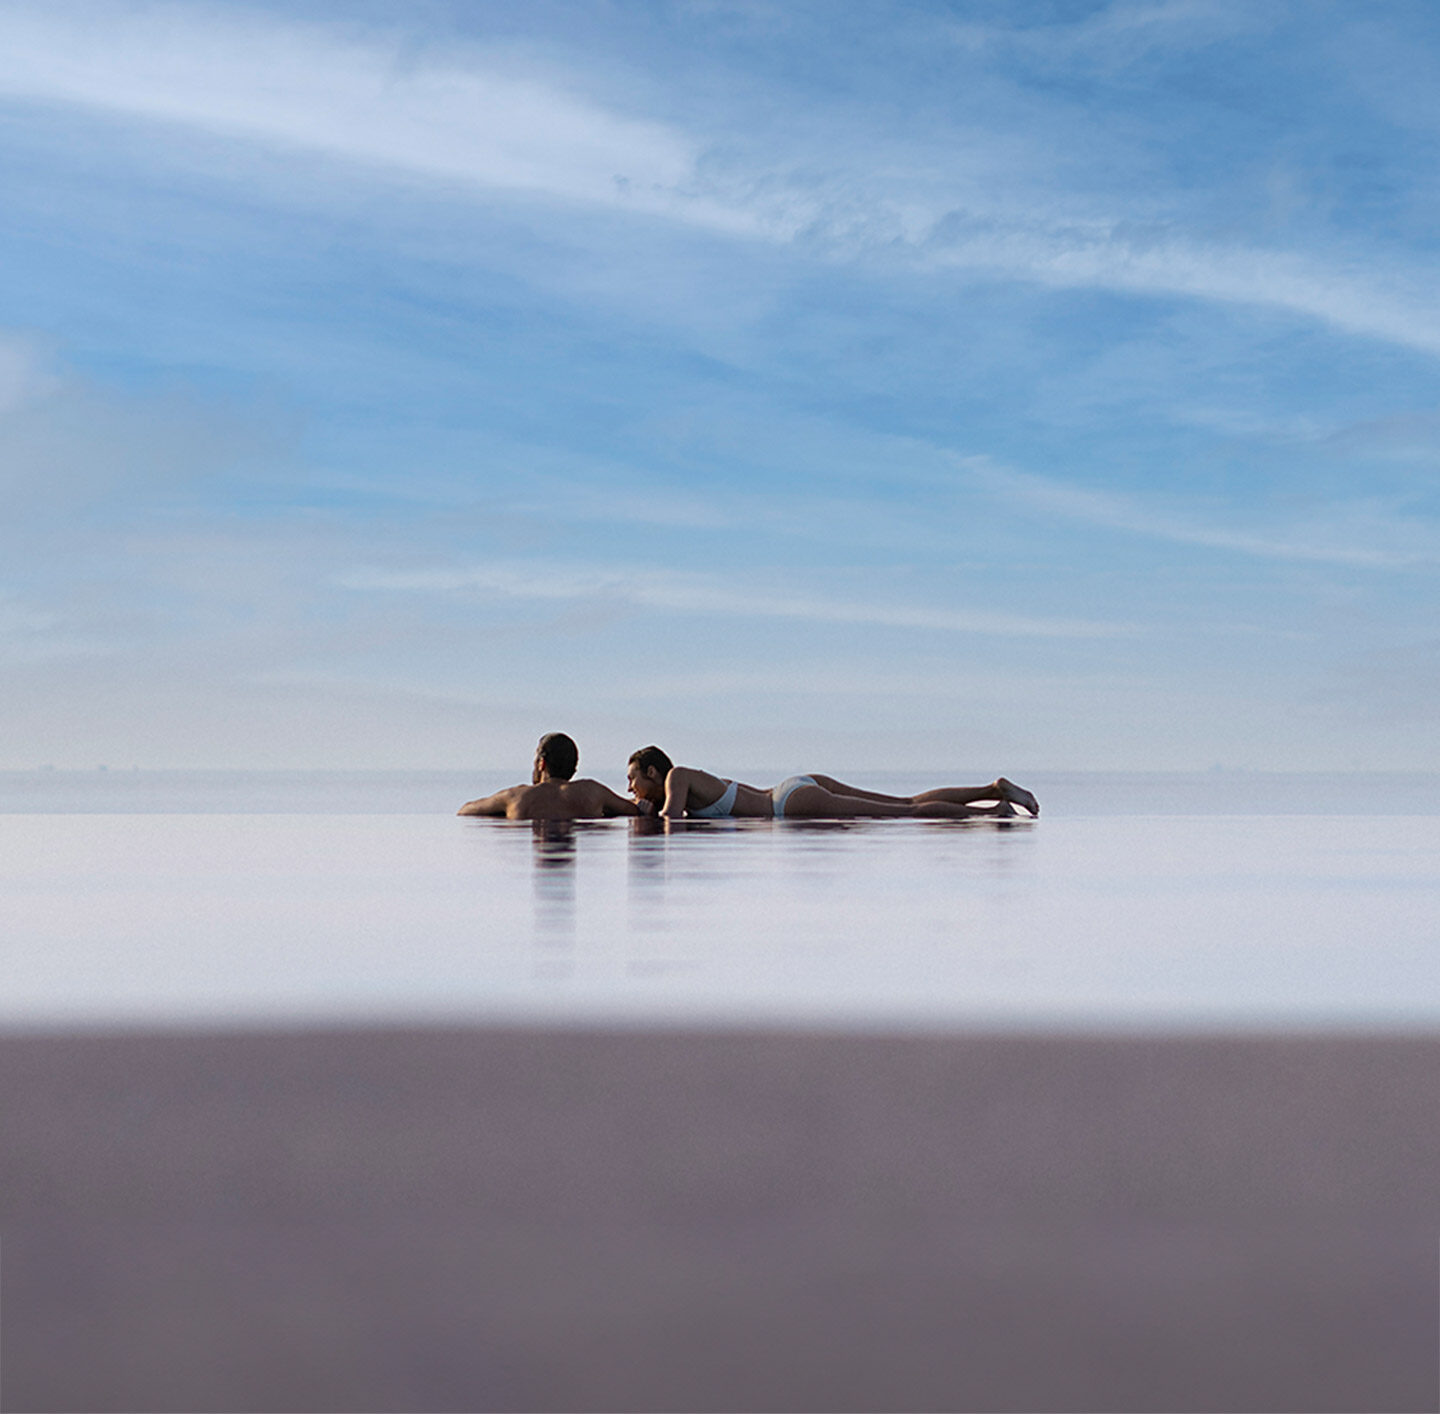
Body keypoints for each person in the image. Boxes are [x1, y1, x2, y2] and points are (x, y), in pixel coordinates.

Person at [625, 745, 1038, 821]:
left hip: (789, 805)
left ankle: (989, 817)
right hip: (794, 787)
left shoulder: (677, 777)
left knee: (903, 815)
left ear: (653, 773)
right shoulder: (688, 780)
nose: (630, 789)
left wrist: (636, 814)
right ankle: (992, 791)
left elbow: (671, 821)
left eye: (632, 781)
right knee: (906, 802)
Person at [459, 733, 639, 821]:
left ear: (541, 763)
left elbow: (465, 811)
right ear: (573, 769)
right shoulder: (593, 791)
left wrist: (501, 814)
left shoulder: (516, 797)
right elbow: (634, 810)